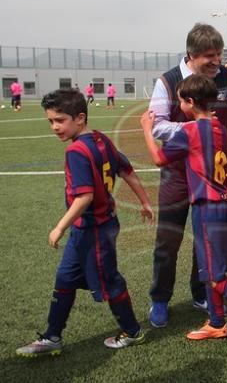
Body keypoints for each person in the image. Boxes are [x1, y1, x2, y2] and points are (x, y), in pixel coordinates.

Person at [141, 74, 227, 346]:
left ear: (190, 102)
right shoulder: (218, 127)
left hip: (208, 207)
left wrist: (147, 128)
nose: (180, 107)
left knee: (215, 276)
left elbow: (158, 159)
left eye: (181, 102)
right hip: (224, 201)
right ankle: (216, 322)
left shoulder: (189, 131)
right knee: (208, 270)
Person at [16, 89, 154, 357]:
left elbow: (84, 197)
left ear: (80, 118)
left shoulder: (77, 151)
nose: (55, 127)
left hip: (95, 229)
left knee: (110, 281)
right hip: (88, 229)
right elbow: (126, 170)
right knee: (65, 277)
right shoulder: (101, 139)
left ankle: (132, 331)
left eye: (60, 120)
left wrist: (59, 227)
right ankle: (52, 337)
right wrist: (145, 202)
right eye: (51, 121)